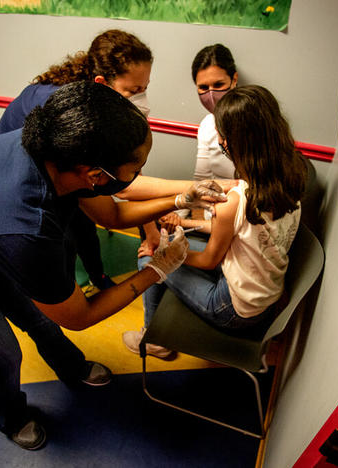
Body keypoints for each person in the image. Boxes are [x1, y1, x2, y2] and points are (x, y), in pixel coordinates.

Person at [0, 82, 225, 450]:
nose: (139, 173)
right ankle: (12, 417)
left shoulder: (58, 148)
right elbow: (79, 315)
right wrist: (157, 270)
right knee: (2, 353)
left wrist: (180, 198)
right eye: (137, 166)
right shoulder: (26, 226)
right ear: (94, 173)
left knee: (36, 317)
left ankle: (72, 367)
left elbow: (114, 212)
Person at [123, 85, 308, 358]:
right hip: (265, 297)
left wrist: (164, 255)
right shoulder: (292, 176)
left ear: (230, 142)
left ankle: (154, 341)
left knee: (147, 260)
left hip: (232, 310)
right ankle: (155, 332)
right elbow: (239, 232)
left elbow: (210, 260)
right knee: (174, 244)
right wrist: (184, 226)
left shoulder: (236, 200)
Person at [0, 29, 153, 290]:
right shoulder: (67, 110)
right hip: (12, 179)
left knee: (84, 223)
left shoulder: (95, 99)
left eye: (144, 89)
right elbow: (120, 195)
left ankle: (97, 277)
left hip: (54, 169)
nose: (140, 98)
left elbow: (129, 167)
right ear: (102, 83)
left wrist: (153, 230)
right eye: (134, 90)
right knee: (63, 236)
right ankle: (64, 295)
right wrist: (183, 194)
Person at [141, 44, 238, 254]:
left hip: (233, 222)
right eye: (203, 88)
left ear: (234, 80)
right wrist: (177, 215)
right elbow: (199, 181)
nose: (211, 94)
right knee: (152, 235)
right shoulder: (206, 126)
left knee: (155, 254)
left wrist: (183, 224)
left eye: (219, 84)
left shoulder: (251, 124)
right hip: (209, 215)